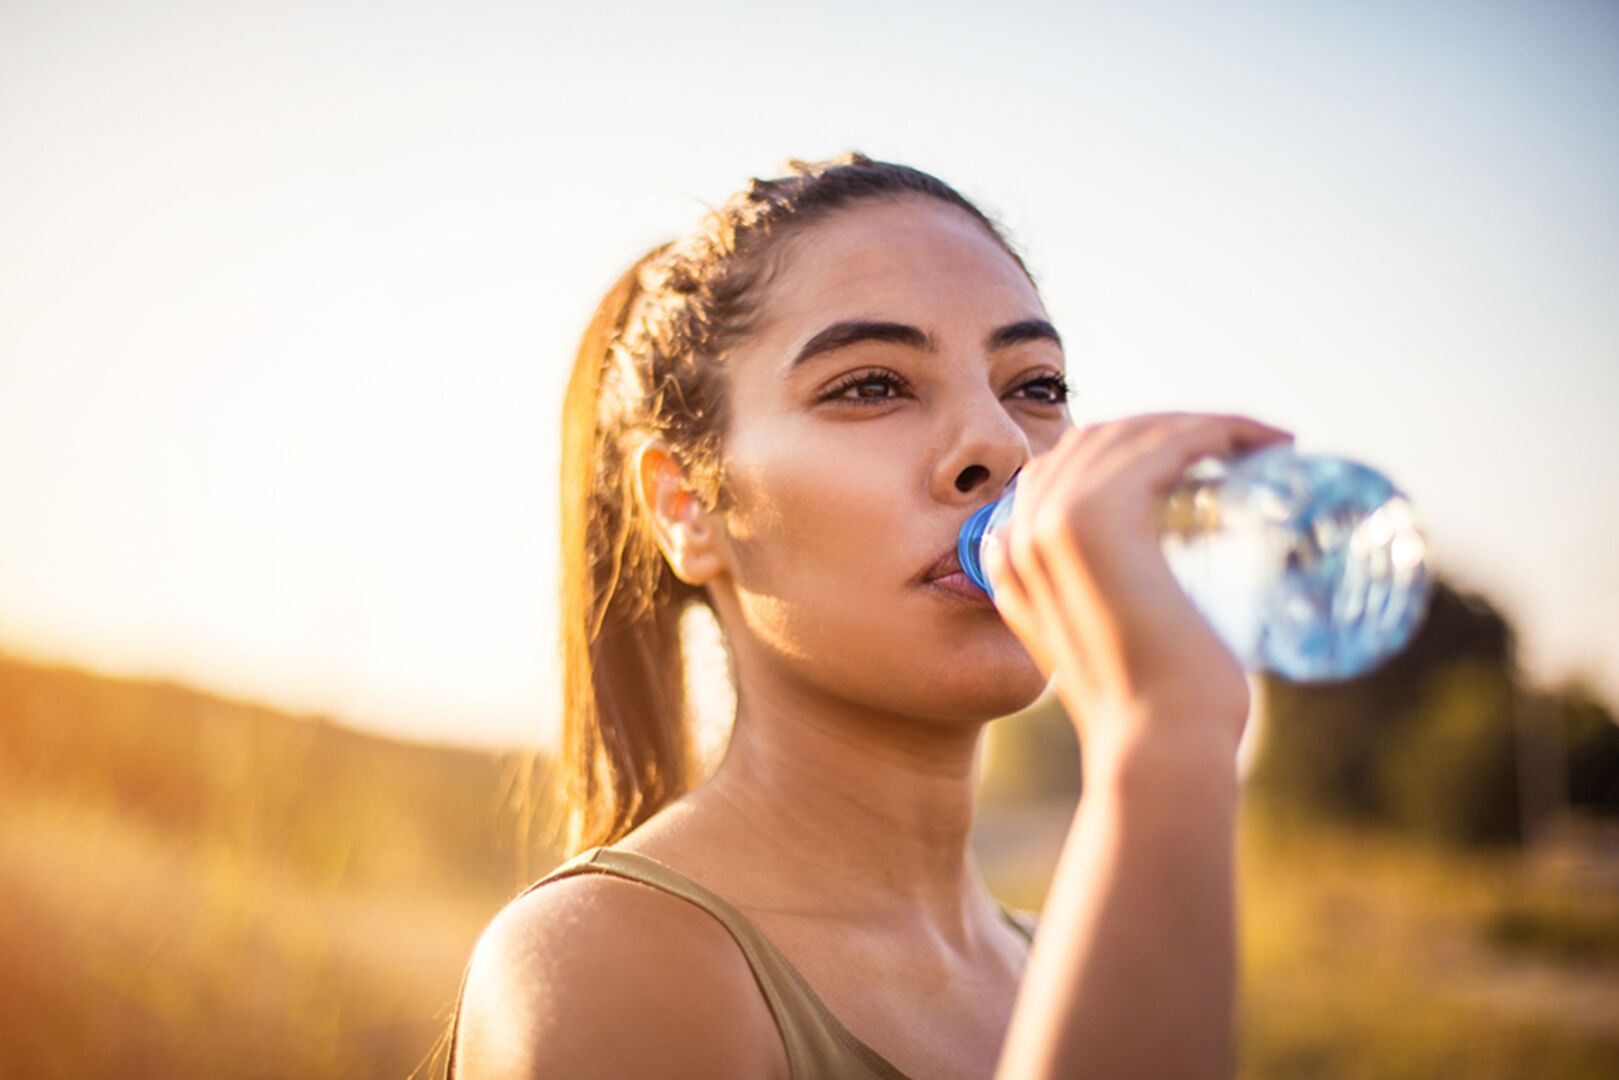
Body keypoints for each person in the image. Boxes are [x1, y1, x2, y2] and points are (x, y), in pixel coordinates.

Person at [446, 153, 1291, 1079]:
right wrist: (1161, 744)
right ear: (687, 505)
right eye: (872, 385)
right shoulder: (602, 960)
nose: (1001, 447)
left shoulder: (1074, 956)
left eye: (1035, 386)